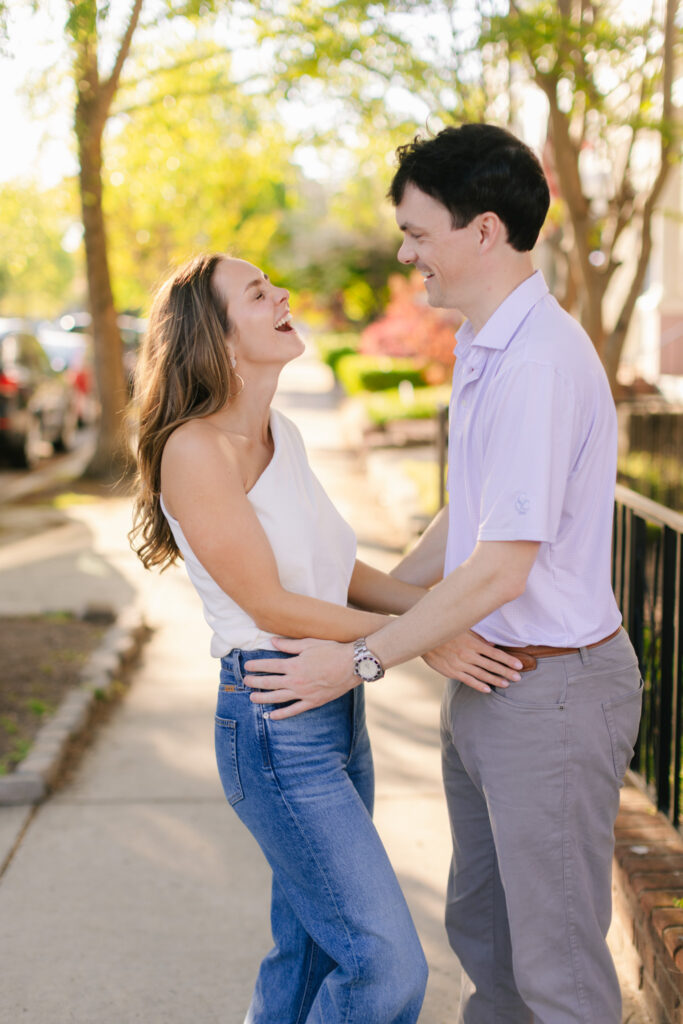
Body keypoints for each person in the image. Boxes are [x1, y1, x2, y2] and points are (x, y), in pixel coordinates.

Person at [243, 124, 643, 1024]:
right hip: (494, 683)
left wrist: (360, 659)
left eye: (418, 233)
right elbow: (467, 521)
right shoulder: (486, 343)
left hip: (554, 692)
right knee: (487, 945)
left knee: (557, 973)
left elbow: (502, 568)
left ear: (484, 232)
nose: (404, 252)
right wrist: (365, 586)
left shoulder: (537, 361)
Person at [128, 251, 520, 1024]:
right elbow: (272, 604)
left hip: (334, 709)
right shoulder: (194, 450)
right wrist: (416, 634)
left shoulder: (281, 433)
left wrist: (439, 609)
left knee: (308, 949)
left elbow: (336, 571)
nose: (283, 294)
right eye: (257, 292)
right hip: (274, 720)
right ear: (216, 335)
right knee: (385, 969)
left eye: (275, 281)